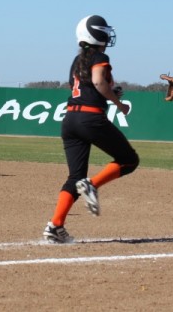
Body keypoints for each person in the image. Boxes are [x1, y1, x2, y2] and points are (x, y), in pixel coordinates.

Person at [43, 15, 140, 243]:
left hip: (70, 120)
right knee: (128, 160)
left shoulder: (76, 62)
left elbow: (88, 87)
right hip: (90, 119)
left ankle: (55, 226)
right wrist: (119, 104)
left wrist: (109, 92)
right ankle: (92, 185)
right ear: (96, 34)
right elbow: (98, 82)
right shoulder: (99, 56)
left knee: (74, 176)